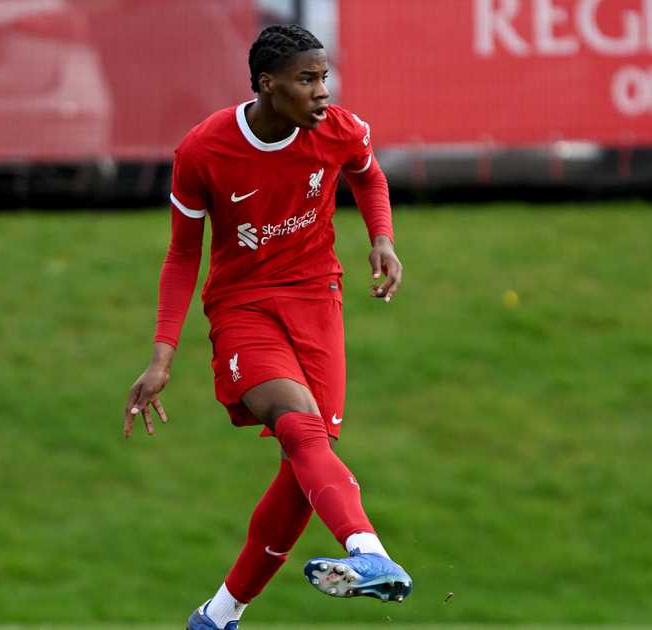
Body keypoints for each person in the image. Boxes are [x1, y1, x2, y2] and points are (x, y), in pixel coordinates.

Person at [121, 24, 412, 630]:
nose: (322, 92)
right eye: (307, 80)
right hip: (243, 309)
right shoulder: (203, 151)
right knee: (302, 432)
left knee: (304, 465)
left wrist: (381, 238)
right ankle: (369, 551)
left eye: (324, 77)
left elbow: (367, 172)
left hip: (317, 300)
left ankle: (219, 616)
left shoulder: (337, 129)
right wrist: (162, 355)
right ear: (266, 84)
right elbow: (181, 256)